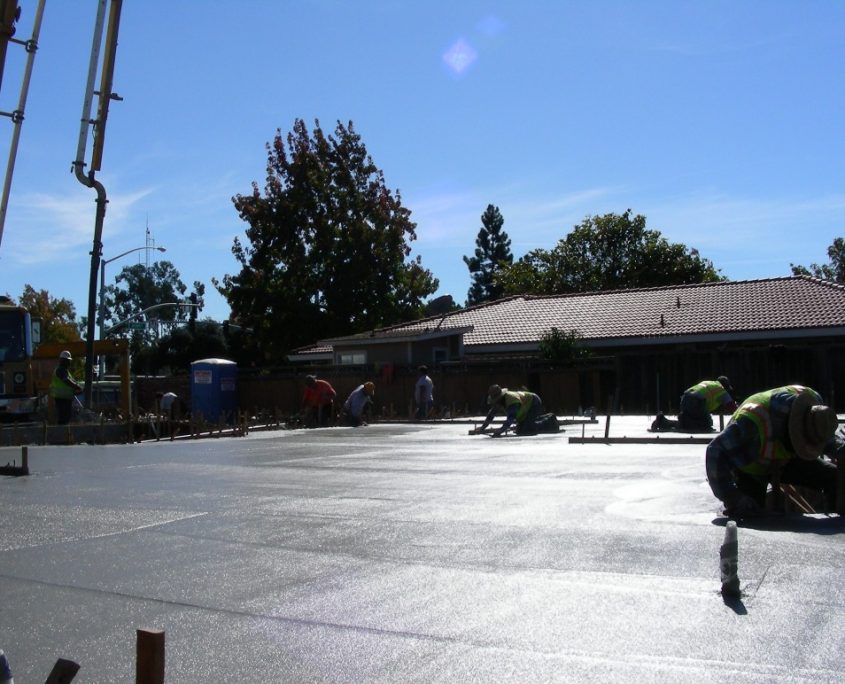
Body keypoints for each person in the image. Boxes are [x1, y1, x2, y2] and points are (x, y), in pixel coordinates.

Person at [706, 384, 841, 518]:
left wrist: (841, 450)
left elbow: (826, 439)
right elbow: (715, 451)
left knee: (836, 478)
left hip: (787, 459)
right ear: (792, 430)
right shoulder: (751, 424)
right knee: (749, 514)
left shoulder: (814, 406)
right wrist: (732, 496)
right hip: (752, 466)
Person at [479, 384, 545, 437]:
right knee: (520, 429)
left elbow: (511, 417)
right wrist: (482, 427)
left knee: (527, 429)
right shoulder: (498, 402)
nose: (495, 405)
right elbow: (491, 415)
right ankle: (532, 422)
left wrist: (501, 430)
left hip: (534, 402)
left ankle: (548, 422)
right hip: (525, 406)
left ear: (500, 398)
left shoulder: (511, 400)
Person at [50, 350, 82, 425]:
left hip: (65, 398)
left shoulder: (65, 371)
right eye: (67, 360)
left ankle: (64, 432)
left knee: (66, 418)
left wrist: (75, 389)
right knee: (63, 418)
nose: (69, 362)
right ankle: (61, 433)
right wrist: (77, 387)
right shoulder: (60, 370)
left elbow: (70, 383)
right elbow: (66, 381)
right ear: (62, 360)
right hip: (61, 398)